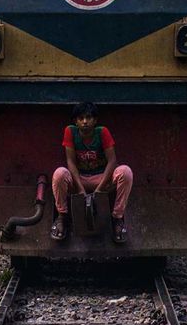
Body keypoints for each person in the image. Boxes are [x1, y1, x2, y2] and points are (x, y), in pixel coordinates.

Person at [51, 101, 133, 243]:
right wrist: (81, 190)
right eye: (81, 118)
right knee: (59, 173)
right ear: (75, 121)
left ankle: (117, 219)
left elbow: (112, 161)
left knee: (125, 172)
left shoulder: (102, 132)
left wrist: (99, 190)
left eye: (89, 118)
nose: (85, 122)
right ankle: (62, 217)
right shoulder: (70, 131)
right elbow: (70, 162)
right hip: (79, 179)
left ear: (95, 120)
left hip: (101, 179)